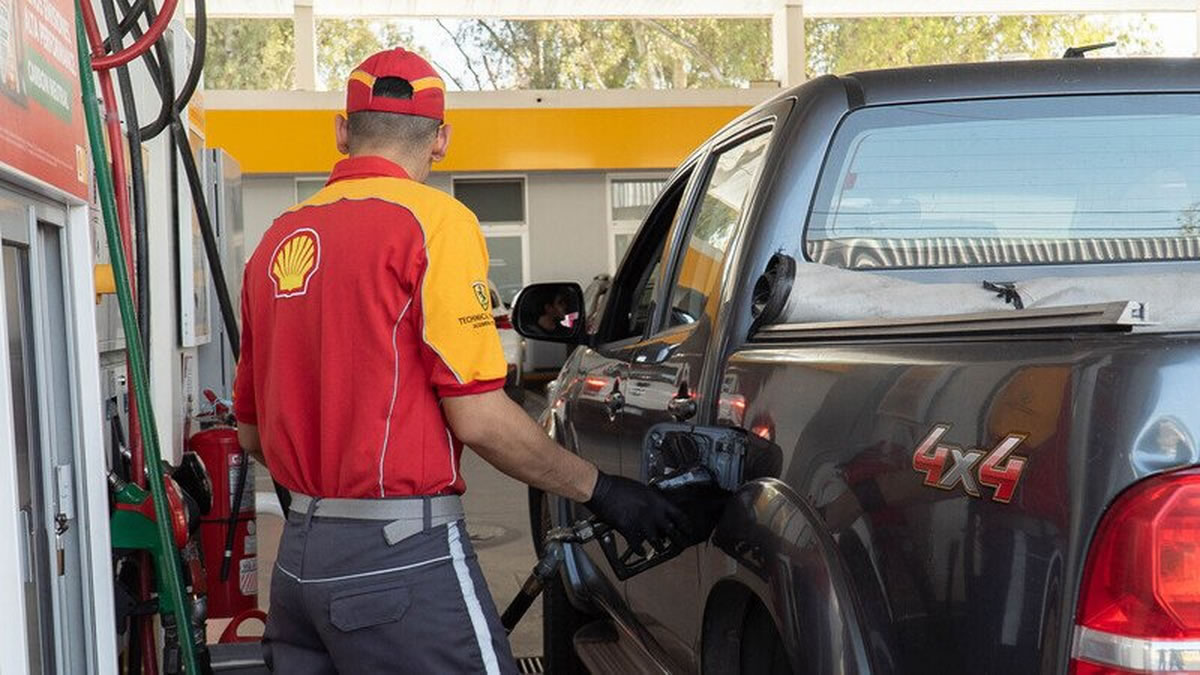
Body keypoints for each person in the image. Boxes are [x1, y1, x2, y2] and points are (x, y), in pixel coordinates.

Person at [232, 48, 691, 674]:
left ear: (342, 131)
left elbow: (252, 434)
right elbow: (477, 417)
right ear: (441, 139)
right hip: (399, 561)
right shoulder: (435, 223)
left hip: (298, 566)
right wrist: (601, 489)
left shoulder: (275, 241)